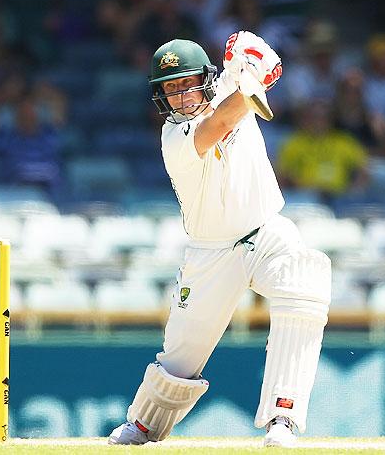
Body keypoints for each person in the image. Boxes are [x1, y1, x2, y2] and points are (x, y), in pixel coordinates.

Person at [108, 33, 331, 447]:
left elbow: (245, 63)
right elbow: (224, 120)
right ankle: (144, 423)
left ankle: (282, 418)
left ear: (206, 79)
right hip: (212, 252)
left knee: (306, 279)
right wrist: (252, 84)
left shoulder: (231, 87)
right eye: (170, 89)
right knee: (181, 357)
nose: (179, 96)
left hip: (266, 231)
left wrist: (250, 69)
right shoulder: (174, 138)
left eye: (186, 83)